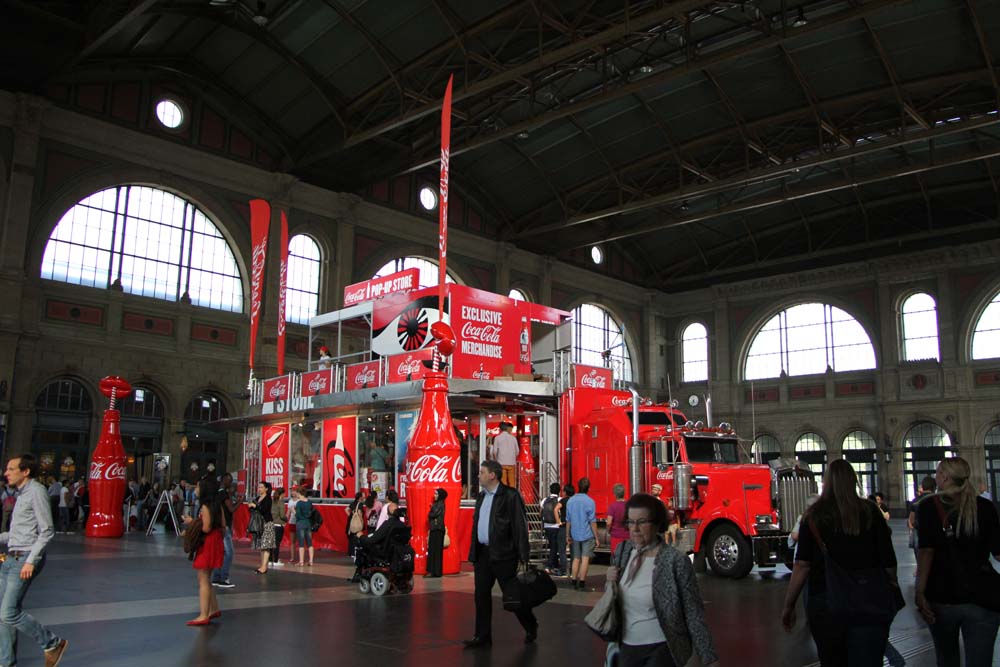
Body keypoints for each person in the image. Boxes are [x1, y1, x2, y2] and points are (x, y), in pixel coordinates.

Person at [781, 459, 900, 665]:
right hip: (868, 598)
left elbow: (802, 565)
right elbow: (888, 560)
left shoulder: (814, 516)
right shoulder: (871, 511)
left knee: (832, 660)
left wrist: (789, 604)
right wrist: (891, 584)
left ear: (826, 483)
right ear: (853, 480)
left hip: (826, 601)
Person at [607, 493, 719, 667]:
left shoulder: (674, 560)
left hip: (662, 649)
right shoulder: (623, 552)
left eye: (642, 522)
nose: (634, 529)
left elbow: (693, 610)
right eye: (630, 521)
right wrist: (609, 581)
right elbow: (614, 599)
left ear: (657, 524)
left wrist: (709, 657)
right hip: (627, 648)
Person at [916, 456, 1000, 667]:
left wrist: (920, 592)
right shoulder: (985, 507)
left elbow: (926, 552)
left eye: (938, 473)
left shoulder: (927, 507)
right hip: (983, 596)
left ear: (944, 477)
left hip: (942, 595)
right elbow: (998, 553)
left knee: (947, 660)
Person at [0, 454, 68, 666]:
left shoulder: (36, 492)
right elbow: (18, 533)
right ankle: (6, 661)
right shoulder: (21, 494)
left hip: (24, 559)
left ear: (25, 471)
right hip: (11, 558)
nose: (6, 473)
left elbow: (46, 530)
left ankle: (52, 643)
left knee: (9, 612)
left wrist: (31, 560)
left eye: (11, 469)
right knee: (3, 615)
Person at [464, 460, 536, 648]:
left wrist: (523, 555)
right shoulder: (481, 496)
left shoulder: (510, 496)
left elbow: (519, 526)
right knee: (480, 596)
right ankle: (482, 636)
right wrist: (474, 552)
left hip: (504, 554)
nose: (478, 475)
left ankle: (530, 625)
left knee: (512, 596)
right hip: (483, 554)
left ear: (492, 475)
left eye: (481, 472)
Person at [183, 477, 224, 627]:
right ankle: (213, 608)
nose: (196, 490)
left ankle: (203, 614)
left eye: (198, 487)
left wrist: (191, 522)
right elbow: (223, 525)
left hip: (207, 542)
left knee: (203, 578)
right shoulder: (217, 505)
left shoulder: (205, 507)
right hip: (216, 540)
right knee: (208, 576)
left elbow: (206, 528)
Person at [566, 476, 599, 591]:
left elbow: (568, 520)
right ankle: (582, 582)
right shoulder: (590, 501)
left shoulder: (571, 500)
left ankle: (574, 580)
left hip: (575, 534)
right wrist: (596, 537)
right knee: (585, 559)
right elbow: (592, 521)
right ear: (588, 488)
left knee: (576, 558)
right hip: (587, 534)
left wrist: (567, 535)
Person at [211, 473, 236, 589]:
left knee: (220, 552)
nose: (231, 483)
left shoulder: (216, 492)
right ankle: (223, 577)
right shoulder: (224, 494)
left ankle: (216, 577)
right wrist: (240, 501)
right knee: (229, 552)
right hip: (224, 526)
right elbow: (231, 509)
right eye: (229, 481)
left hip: (218, 525)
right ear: (224, 480)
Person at [908, 475, 936, 572]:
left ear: (923, 487)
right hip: (934, 532)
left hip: (918, 531)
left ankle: (921, 570)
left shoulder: (915, 501)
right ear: (934, 487)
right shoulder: (939, 500)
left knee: (919, 552)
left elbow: (911, 519)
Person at [247, 481, 275, 575]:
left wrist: (255, 506)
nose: (260, 489)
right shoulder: (258, 498)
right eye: (259, 487)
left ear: (266, 489)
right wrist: (251, 506)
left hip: (267, 523)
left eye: (262, 487)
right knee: (261, 545)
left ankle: (264, 567)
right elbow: (252, 509)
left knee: (266, 545)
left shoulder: (268, 498)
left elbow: (264, 509)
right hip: (259, 524)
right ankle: (262, 565)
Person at [541, 482, 561, 574]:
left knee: (552, 545)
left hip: (546, 526)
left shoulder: (544, 500)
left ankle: (555, 564)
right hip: (556, 526)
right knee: (554, 547)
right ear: (559, 491)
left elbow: (540, 512)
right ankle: (549, 565)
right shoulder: (559, 500)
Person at [426, 488, 447, 578]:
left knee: (435, 551)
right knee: (434, 550)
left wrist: (431, 510)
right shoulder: (438, 504)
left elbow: (432, 514)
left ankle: (435, 571)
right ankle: (435, 571)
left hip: (437, 529)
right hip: (436, 529)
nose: (434, 495)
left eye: (436, 494)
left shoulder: (440, 504)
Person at [293, 487, 315, 566]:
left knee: (301, 543)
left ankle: (301, 561)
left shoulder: (299, 503)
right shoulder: (309, 502)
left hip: (300, 523)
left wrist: (293, 511)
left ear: (299, 493)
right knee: (310, 542)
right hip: (308, 523)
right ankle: (311, 561)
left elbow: (298, 515)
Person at [556, 483, 574, 577]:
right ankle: (572, 572)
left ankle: (563, 570)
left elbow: (555, 509)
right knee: (573, 551)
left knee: (562, 550)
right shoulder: (575, 501)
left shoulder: (563, 500)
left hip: (563, 526)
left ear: (566, 492)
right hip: (574, 527)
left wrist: (558, 521)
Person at [493, 423, 518, 487]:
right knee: (512, 483)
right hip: (512, 463)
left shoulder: (497, 438)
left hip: (501, 463)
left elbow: (495, 452)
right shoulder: (513, 438)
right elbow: (517, 451)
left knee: (503, 483)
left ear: (500, 429)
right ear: (507, 429)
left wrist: (496, 460)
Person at [606, 482, 628, 556]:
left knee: (616, 558)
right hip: (627, 536)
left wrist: (608, 531)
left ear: (615, 494)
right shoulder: (628, 505)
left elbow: (609, 522)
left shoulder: (612, 506)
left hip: (616, 537)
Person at [346, 491, 365, 572]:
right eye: (363, 495)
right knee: (357, 539)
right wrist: (362, 522)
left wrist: (351, 516)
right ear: (360, 497)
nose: (364, 497)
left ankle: (352, 554)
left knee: (352, 539)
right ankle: (355, 555)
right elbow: (360, 514)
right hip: (357, 524)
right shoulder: (360, 504)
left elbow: (346, 510)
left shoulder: (353, 503)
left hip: (351, 524)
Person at [270, 488, 286, 567]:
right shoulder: (281, 503)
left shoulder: (273, 502)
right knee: (277, 544)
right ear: (282, 494)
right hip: (279, 525)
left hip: (271, 524)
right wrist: (286, 519)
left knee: (271, 544)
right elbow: (282, 515)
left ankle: (270, 560)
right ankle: (275, 560)